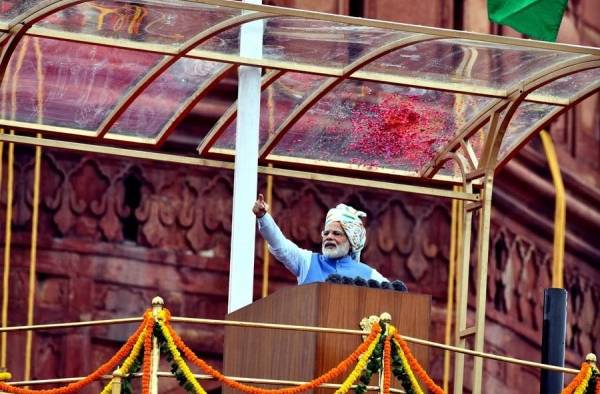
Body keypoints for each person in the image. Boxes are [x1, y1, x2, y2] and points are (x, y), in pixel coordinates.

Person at [253, 194, 387, 285]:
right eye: (326, 233)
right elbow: (280, 246)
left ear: (351, 241)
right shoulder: (307, 261)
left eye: (336, 233)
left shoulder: (369, 274)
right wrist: (263, 217)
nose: (329, 237)